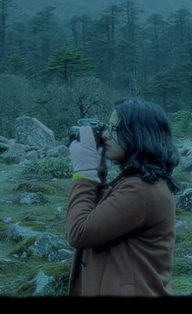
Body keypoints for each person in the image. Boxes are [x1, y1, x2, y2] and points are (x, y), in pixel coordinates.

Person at [65, 97, 181, 296]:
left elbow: (79, 232)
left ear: (138, 135)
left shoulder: (140, 190)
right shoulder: (141, 182)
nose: (105, 135)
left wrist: (84, 172)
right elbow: (100, 218)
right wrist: (98, 171)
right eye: (106, 127)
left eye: (114, 129)